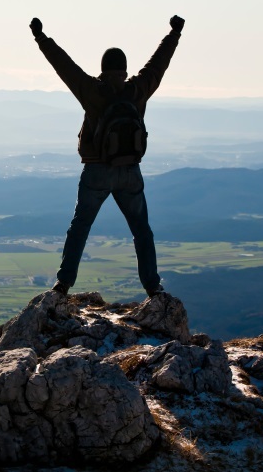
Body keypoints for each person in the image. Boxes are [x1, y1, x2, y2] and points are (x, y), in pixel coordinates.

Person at [29, 15, 185, 297]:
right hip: (130, 172)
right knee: (141, 230)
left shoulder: (92, 91)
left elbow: (64, 66)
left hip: (97, 171)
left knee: (81, 226)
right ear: (125, 71)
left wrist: (41, 37)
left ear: (102, 71)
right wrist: (174, 33)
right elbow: (158, 63)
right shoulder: (138, 90)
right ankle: (153, 286)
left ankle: (63, 284)